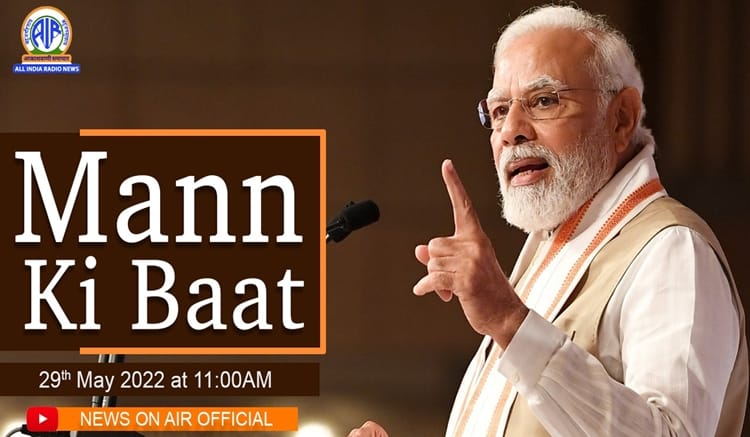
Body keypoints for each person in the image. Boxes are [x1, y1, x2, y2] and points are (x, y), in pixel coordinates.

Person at [348, 4, 748, 437]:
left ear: (622, 118)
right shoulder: (551, 246)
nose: (511, 131)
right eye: (499, 111)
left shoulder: (672, 249)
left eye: (544, 101)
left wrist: (508, 320)